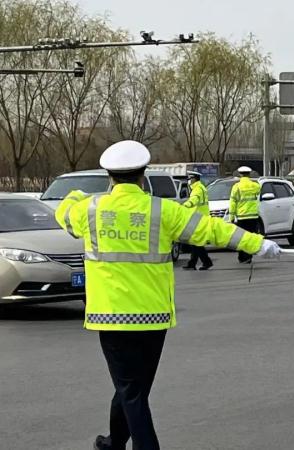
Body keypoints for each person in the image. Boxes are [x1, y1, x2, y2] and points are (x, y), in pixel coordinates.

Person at [55, 141, 281, 450]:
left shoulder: (89, 210)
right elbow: (212, 230)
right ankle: (114, 442)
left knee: (130, 390)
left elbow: (63, 213)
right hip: (152, 316)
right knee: (134, 389)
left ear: (109, 176)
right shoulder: (163, 211)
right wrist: (256, 243)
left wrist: (76, 195)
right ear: (143, 175)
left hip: (111, 317)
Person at [229, 166, 261, 264]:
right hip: (253, 216)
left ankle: (242, 257)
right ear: (249, 174)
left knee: (241, 237)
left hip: (242, 216)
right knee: (251, 237)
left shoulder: (236, 187)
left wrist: (231, 216)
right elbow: (258, 194)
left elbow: (233, 202)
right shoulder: (255, 185)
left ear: (240, 174)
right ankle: (249, 256)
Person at [182, 171, 213, 270]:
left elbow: (194, 200)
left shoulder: (197, 189)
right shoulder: (201, 187)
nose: (189, 181)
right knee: (195, 242)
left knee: (196, 242)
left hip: (198, 218)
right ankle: (193, 263)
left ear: (194, 179)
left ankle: (206, 262)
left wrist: (184, 206)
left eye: (190, 179)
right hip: (200, 217)